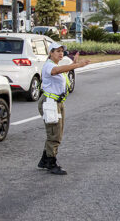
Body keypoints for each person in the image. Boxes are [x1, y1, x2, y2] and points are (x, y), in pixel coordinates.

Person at [37, 43, 90, 175]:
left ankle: (44, 159)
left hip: (57, 102)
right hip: (50, 103)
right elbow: (56, 71)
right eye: (57, 51)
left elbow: (62, 71)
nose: (61, 54)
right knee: (55, 134)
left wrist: (73, 62)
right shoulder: (50, 65)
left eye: (62, 51)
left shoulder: (55, 65)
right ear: (51, 53)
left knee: (55, 132)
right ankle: (51, 162)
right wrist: (77, 65)